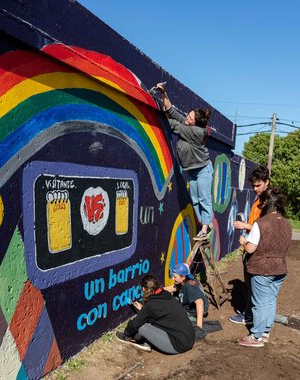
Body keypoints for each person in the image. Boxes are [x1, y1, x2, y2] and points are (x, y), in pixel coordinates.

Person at [156, 83, 213, 240]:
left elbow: (173, 124)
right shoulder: (189, 124)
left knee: (204, 198)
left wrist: (158, 112)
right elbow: (173, 112)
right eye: (188, 115)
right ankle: (204, 226)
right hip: (192, 170)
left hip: (203, 169)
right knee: (195, 199)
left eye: (190, 118)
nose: (187, 118)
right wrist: (163, 94)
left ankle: (206, 227)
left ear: (196, 123)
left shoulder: (197, 132)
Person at [237, 188, 292, 347]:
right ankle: (266, 332)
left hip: (262, 268)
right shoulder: (287, 224)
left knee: (260, 302)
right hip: (280, 268)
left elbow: (251, 249)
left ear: (267, 203)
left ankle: (256, 337)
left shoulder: (261, 223)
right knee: (270, 300)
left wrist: (243, 242)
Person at [229, 165, 270, 325]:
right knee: (250, 282)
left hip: (257, 250)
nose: (255, 188)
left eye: (258, 185)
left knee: (254, 284)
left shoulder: (267, 201)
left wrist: (245, 226)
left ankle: (249, 316)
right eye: (253, 185)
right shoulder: (259, 198)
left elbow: (266, 227)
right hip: (250, 245)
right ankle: (251, 313)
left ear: (267, 182)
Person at [116, 274, 195, 354]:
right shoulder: (166, 295)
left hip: (179, 345)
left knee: (142, 327)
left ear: (144, 289)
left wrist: (126, 334)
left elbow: (135, 323)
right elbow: (158, 312)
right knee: (149, 321)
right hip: (190, 336)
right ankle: (146, 342)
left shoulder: (151, 304)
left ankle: (139, 342)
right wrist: (144, 309)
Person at [165, 263, 209, 330]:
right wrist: (154, 290)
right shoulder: (182, 282)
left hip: (192, 313)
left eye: (175, 277)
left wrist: (199, 327)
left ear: (183, 277)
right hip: (187, 306)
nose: (173, 278)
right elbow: (169, 289)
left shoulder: (190, 287)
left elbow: (200, 303)